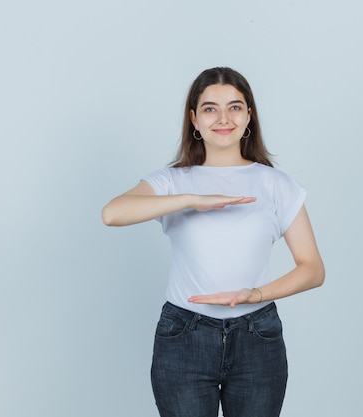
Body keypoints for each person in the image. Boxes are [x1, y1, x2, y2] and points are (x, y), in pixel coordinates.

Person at [101, 67, 325, 417]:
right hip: (184, 335)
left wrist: (255, 295)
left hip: (257, 335)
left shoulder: (275, 184)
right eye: (210, 108)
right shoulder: (172, 182)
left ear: (249, 115)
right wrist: (192, 199)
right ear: (194, 118)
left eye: (235, 107)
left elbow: (312, 268)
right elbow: (113, 213)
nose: (223, 118)